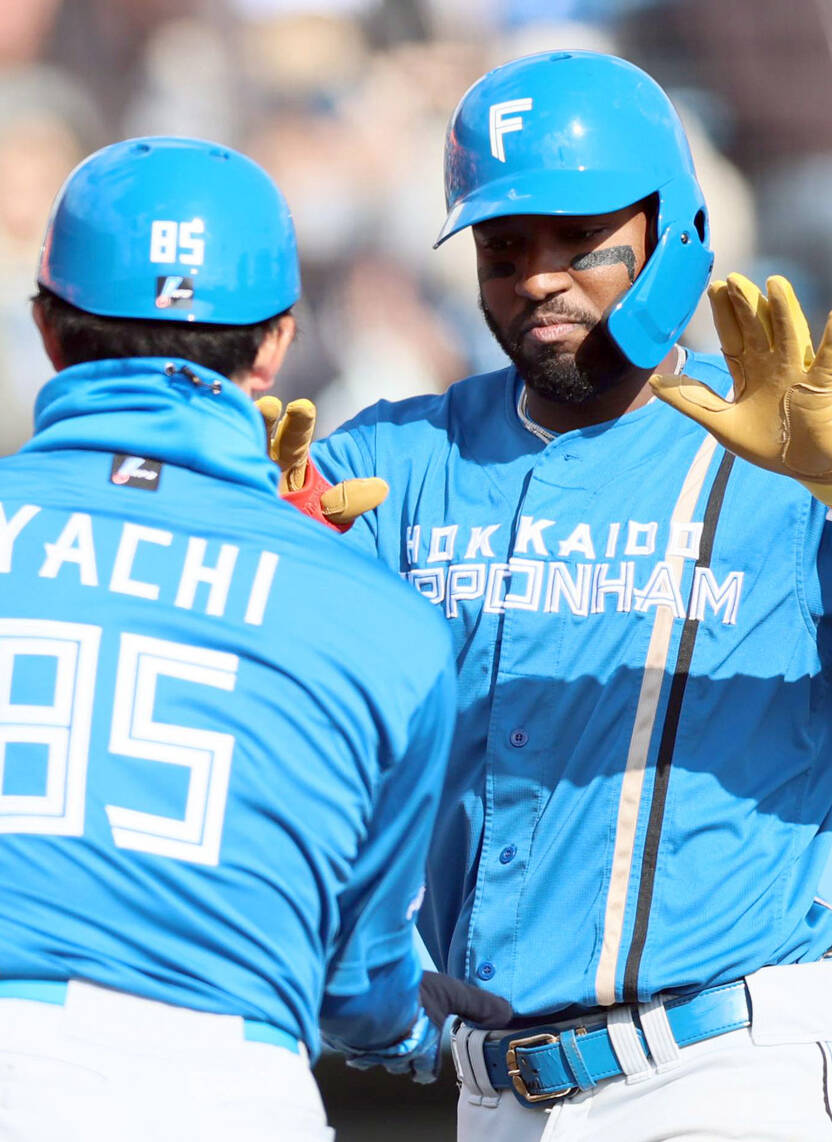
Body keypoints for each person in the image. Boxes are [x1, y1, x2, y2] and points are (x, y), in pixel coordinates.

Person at [271, 52, 832, 1141]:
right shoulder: (399, 456)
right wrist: (261, 544)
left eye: (582, 239)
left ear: (677, 232)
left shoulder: (811, 428)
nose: (537, 276)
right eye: (505, 244)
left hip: (726, 1077)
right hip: (495, 1100)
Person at [0, 136, 507, 1142]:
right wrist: (406, 1030)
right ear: (274, 346)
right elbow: (361, 980)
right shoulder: (378, 617)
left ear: (48, 328)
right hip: (222, 1089)